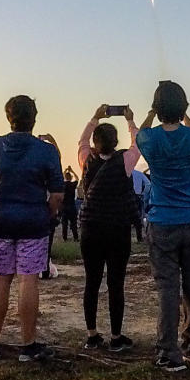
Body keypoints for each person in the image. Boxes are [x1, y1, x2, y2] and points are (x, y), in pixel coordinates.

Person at [0, 95, 64, 362]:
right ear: (34, 117)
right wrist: (47, 213)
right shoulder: (46, 150)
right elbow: (58, 194)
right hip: (33, 221)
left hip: (2, 220)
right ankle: (28, 345)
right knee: (29, 278)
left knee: (0, 278)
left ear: (9, 117)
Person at [136, 81, 190, 371]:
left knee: (168, 288)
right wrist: (186, 114)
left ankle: (169, 351)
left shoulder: (150, 139)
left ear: (156, 108)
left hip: (163, 219)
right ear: (184, 107)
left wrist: (151, 113)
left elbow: (139, 133)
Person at [76, 104, 140, 352]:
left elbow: (81, 141)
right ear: (115, 142)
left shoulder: (86, 160)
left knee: (91, 282)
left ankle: (92, 335)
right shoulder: (124, 161)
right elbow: (137, 145)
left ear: (95, 141)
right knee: (116, 283)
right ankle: (116, 336)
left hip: (90, 228)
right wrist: (130, 121)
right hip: (117, 229)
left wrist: (93, 117)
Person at [131, 169, 150, 242]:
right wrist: (144, 193)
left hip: (126, 195)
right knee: (139, 217)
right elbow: (148, 184)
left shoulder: (123, 173)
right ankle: (140, 237)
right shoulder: (139, 173)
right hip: (138, 195)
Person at [60, 167, 79, 242]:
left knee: (64, 224)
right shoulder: (72, 185)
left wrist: (65, 171)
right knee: (73, 223)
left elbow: (60, 178)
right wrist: (72, 171)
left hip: (64, 206)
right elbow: (77, 178)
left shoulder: (63, 185)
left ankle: (65, 238)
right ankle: (76, 238)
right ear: (71, 178)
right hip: (71, 205)